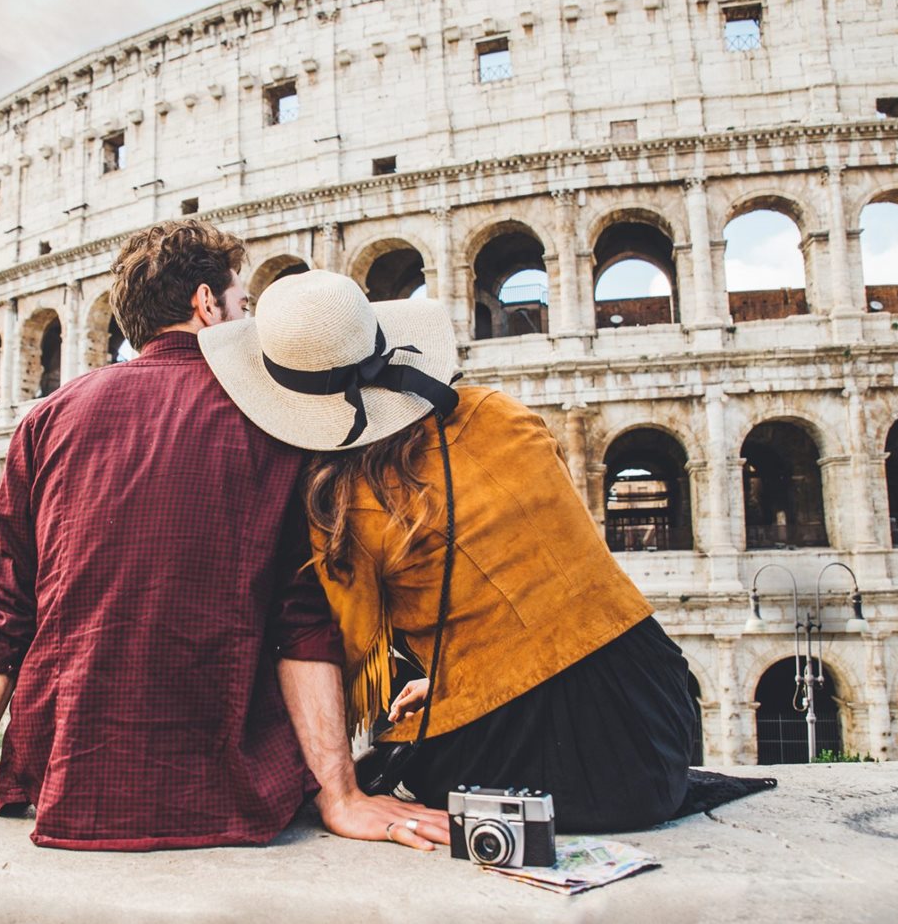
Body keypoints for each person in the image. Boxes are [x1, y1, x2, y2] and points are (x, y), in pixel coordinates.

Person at [0, 221, 447, 851]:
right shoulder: (276, 420)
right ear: (207, 305)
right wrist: (340, 793)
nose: (245, 315)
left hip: (65, 782)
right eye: (241, 301)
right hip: (232, 788)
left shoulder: (45, 420)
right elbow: (301, 623)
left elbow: (1, 618)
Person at [199, 269, 698, 832]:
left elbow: (347, 648)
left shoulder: (344, 500)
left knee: (399, 748)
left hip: (526, 762)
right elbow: (535, 574)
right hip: (653, 722)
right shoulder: (500, 412)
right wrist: (461, 673)